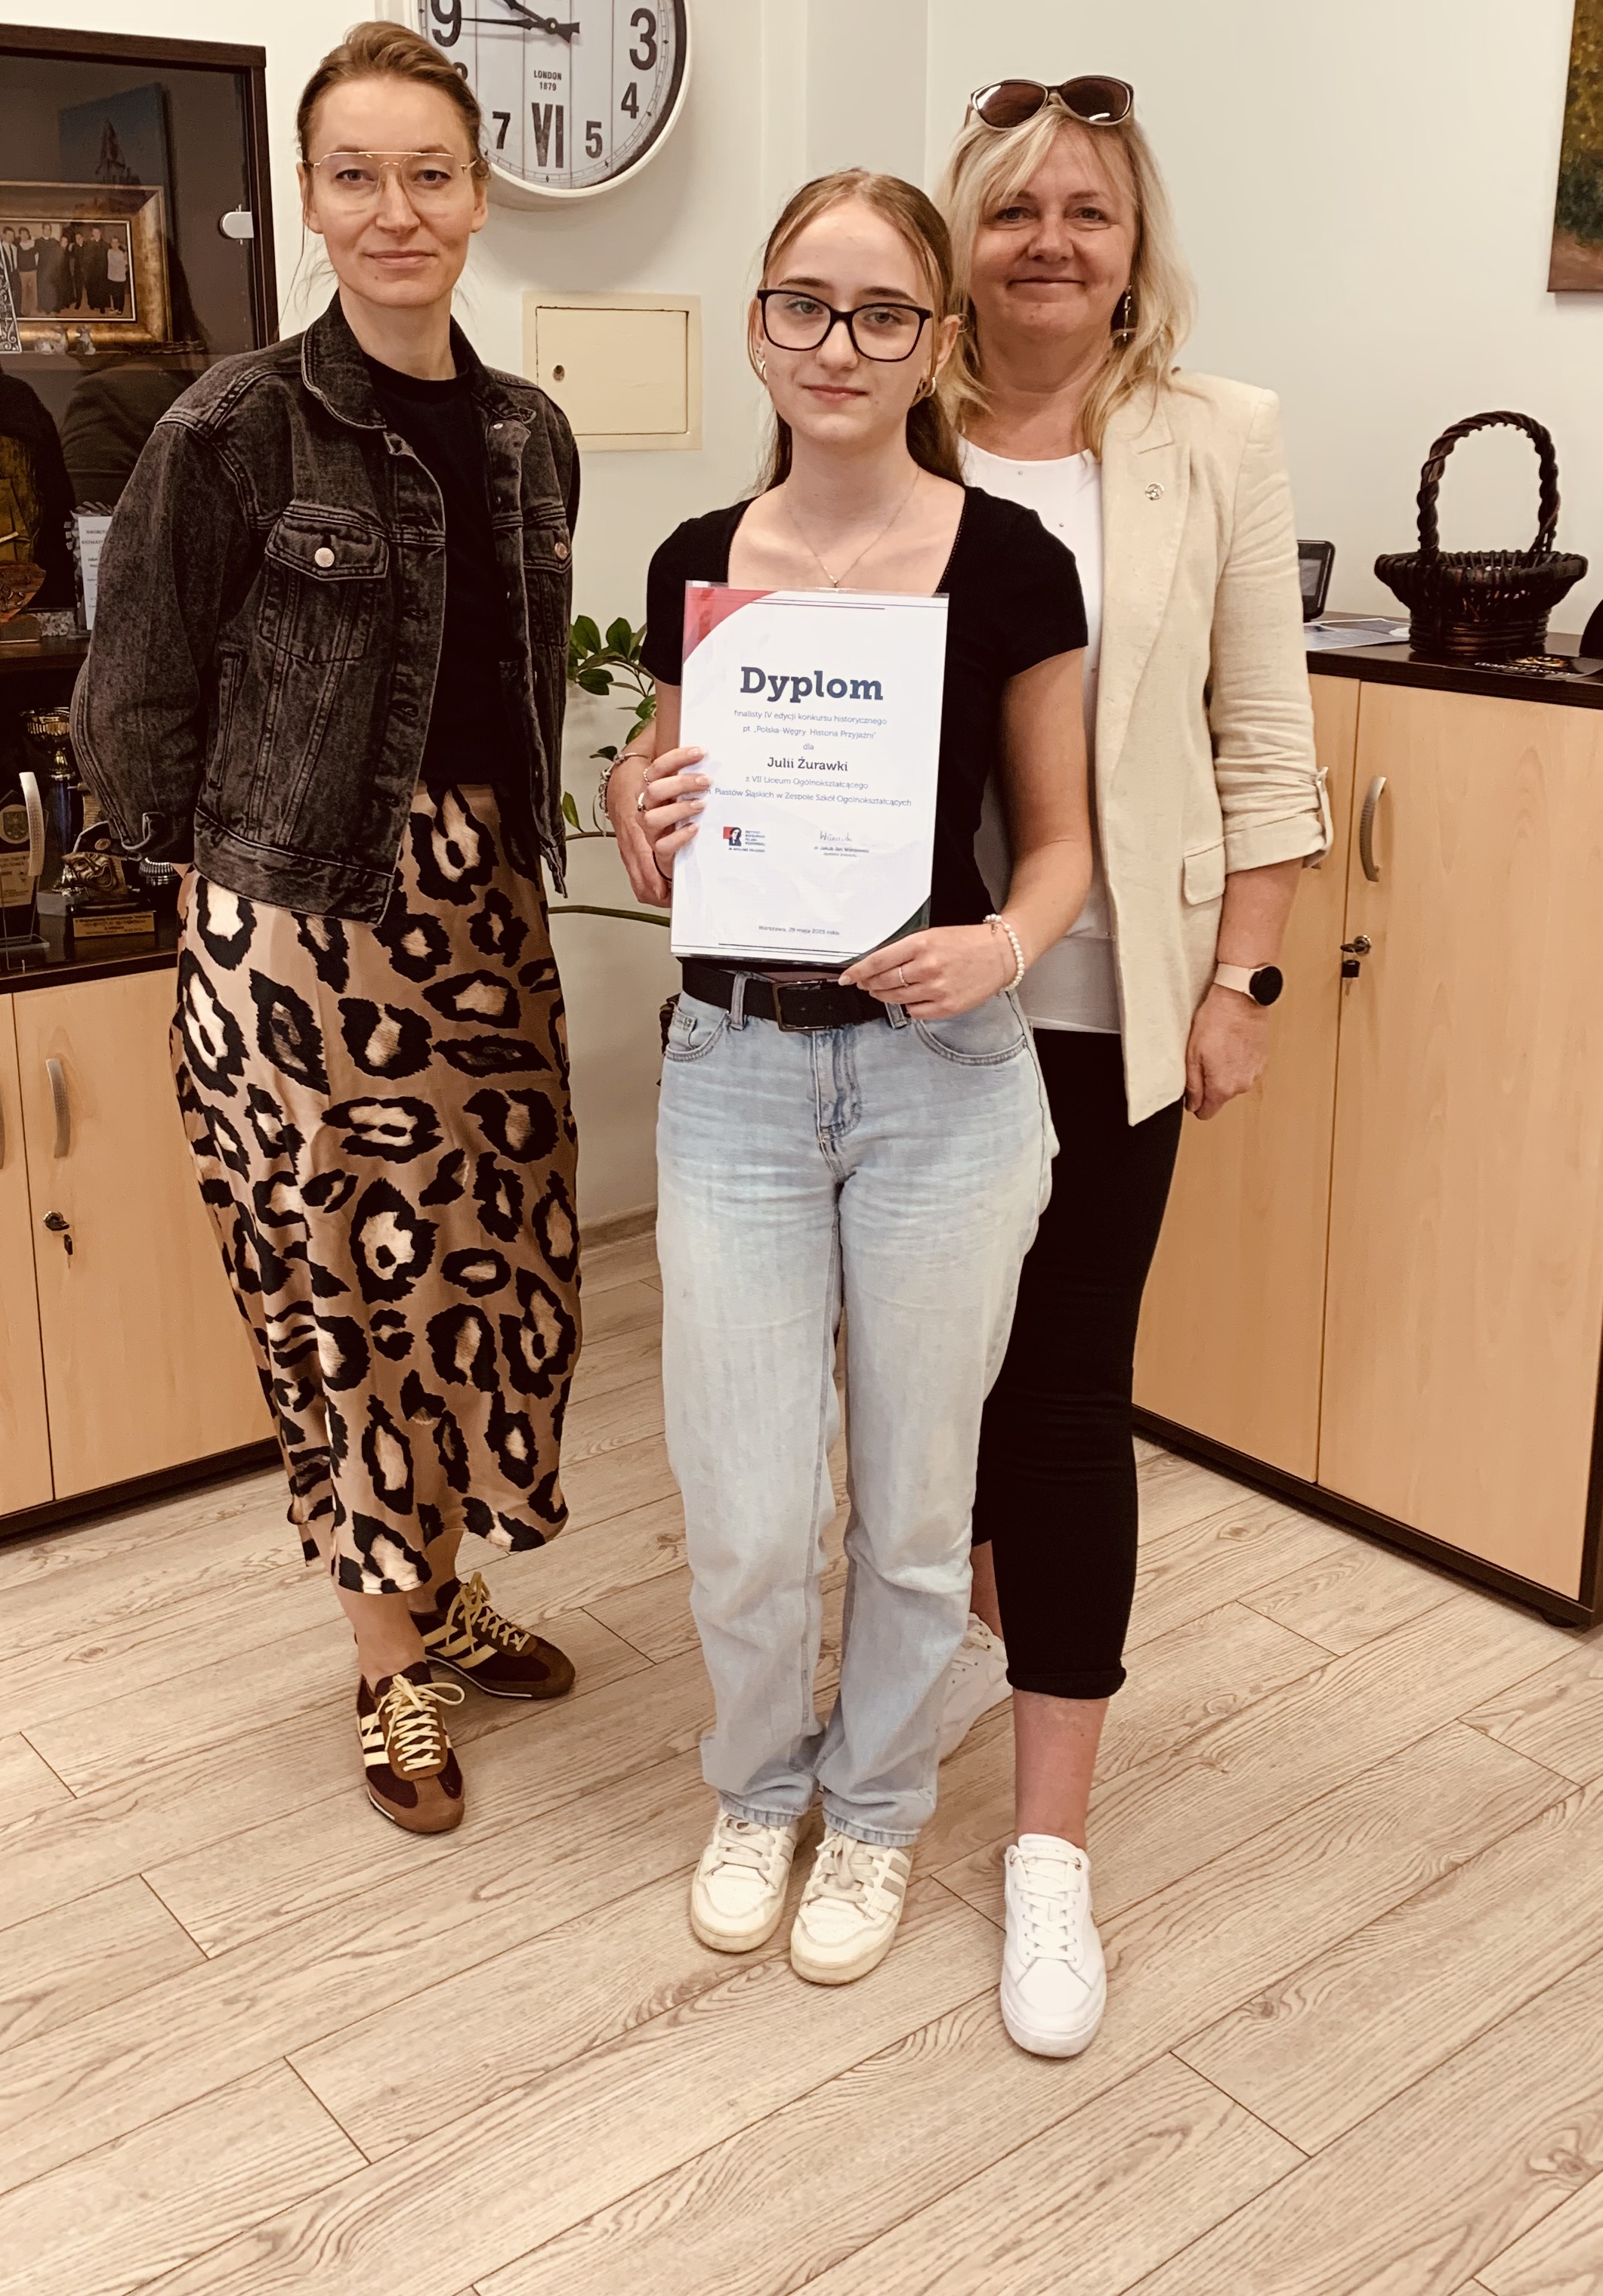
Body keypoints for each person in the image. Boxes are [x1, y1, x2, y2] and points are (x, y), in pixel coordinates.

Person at [73, 20, 585, 1839]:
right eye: (356, 175)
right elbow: (129, 705)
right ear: (308, 195)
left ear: (477, 194)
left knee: (479, 1277)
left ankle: (440, 1592)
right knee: (343, 1302)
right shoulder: (228, 429)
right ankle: (386, 1667)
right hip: (297, 935)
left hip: (483, 919)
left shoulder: (527, 435)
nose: (395, 210)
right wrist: (218, 892)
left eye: (428, 173)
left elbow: (514, 686)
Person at [607, 170, 1091, 1989]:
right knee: (744, 1514)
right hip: (735, 1071)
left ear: (934, 343)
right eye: (804, 305)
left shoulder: (1010, 564)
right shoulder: (696, 561)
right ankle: (758, 1784)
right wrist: (634, 805)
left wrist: (1002, 948)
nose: (838, 343)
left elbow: (1061, 844)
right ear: (758, 327)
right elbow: (664, 807)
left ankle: (875, 1809)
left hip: (938, 1077)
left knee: (910, 1509)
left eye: (883, 313)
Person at [932, 76, 1323, 2057]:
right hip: (907, 1005)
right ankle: (961, 1639)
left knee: (1068, 1393)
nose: (1050, 242)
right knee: (923, 1388)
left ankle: (1048, 1851)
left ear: (1131, 242)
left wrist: (1242, 978)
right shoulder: (882, 413)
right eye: (1014, 210)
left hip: (1111, 1005)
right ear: (962, 239)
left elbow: (1264, 737)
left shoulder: (1212, 437)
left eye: (1086, 210)